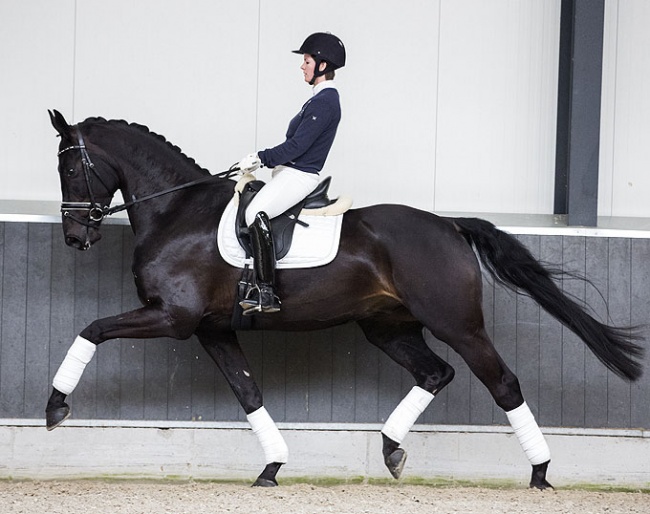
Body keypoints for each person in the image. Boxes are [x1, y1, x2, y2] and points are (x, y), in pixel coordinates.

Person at [236, 32, 346, 315]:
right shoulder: (317, 100)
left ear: (322, 65)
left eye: (307, 61)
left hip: (300, 174)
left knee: (254, 214)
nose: (302, 66)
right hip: (291, 171)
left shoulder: (325, 102)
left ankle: (266, 291)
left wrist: (261, 158)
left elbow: (297, 146)